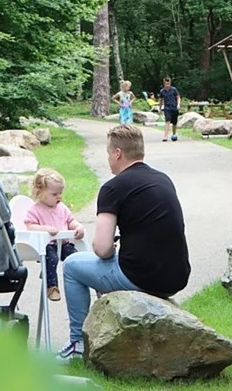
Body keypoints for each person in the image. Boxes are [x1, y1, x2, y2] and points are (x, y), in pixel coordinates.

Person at [59, 124, 190, 360]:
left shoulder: (113, 187)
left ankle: (77, 344)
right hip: (176, 277)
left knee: (72, 266)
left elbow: (101, 248)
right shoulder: (163, 179)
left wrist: (111, 250)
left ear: (118, 153)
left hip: (140, 276)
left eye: (109, 153)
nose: (108, 159)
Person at [24, 168, 85, 302]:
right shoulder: (35, 210)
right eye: (54, 194)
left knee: (74, 257)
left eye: (60, 193)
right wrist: (45, 229)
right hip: (47, 245)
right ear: (39, 192)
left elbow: (70, 221)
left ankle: (80, 280)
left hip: (63, 243)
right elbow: (30, 226)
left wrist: (78, 227)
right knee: (51, 259)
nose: (59, 197)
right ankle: (52, 286)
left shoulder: (62, 207)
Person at [157, 77, 181, 142]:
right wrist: (160, 108)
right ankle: (165, 136)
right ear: (164, 84)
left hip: (174, 107)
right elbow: (160, 100)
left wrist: (178, 104)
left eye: (168, 84)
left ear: (170, 83)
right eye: (166, 84)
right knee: (167, 121)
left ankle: (174, 134)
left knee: (174, 123)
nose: (167, 85)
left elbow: (178, 97)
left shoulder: (174, 89)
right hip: (167, 108)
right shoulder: (162, 91)